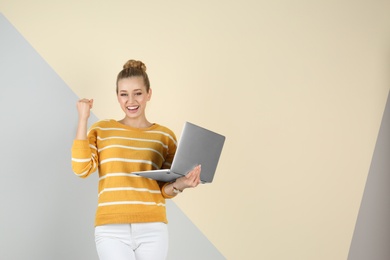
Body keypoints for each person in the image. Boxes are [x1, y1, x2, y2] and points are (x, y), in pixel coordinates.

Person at [71, 59, 201, 260]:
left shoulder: (164, 136)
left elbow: (164, 190)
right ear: (117, 96)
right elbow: (81, 169)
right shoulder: (102, 129)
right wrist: (83, 119)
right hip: (111, 228)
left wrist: (181, 184)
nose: (131, 101)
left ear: (149, 94)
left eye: (138, 93)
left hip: (153, 229)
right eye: (124, 94)